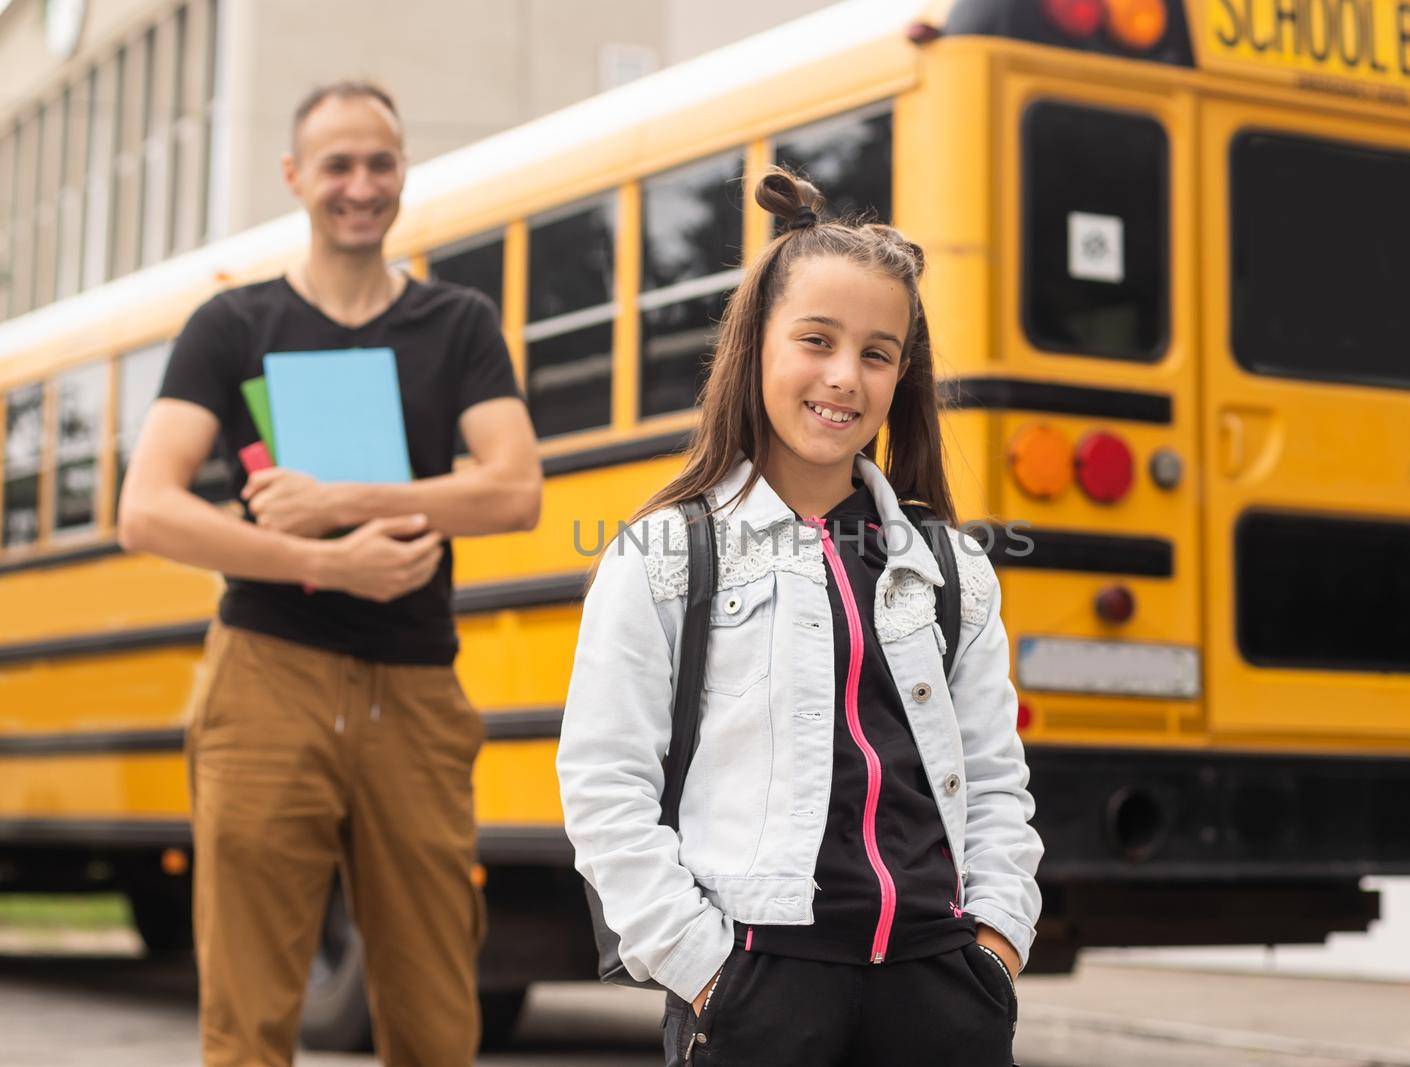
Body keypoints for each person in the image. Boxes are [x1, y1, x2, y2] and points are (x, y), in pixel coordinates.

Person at [556, 169, 1042, 1066]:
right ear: (757, 347)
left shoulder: (949, 567)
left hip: (940, 986)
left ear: (903, 373)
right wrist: (709, 972)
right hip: (758, 987)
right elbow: (604, 787)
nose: (842, 377)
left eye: (877, 352)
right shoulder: (664, 555)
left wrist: (996, 947)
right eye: (815, 339)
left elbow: (996, 779)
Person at [118, 80, 541, 1067]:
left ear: (401, 175)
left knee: (437, 1016)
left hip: (416, 690)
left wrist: (339, 499)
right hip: (267, 678)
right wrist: (319, 559)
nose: (360, 185)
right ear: (295, 177)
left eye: (380, 163)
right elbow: (148, 506)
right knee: (250, 1015)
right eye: (338, 165)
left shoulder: (458, 322)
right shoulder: (233, 325)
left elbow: (515, 488)